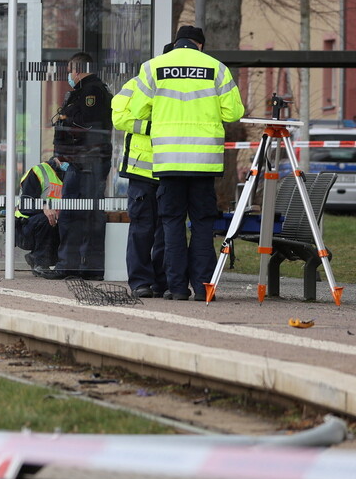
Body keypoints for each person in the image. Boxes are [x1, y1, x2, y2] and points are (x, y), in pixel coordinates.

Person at [128, 26, 245, 300]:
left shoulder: (153, 67)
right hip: (204, 162)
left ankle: (177, 288)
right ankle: (205, 288)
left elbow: (137, 110)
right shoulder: (216, 68)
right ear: (200, 46)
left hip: (168, 161)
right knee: (203, 224)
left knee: (172, 223)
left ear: (176, 43)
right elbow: (234, 112)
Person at [38, 52, 113, 280]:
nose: (70, 75)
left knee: (80, 215)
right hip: (79, 162)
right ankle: (77, 266)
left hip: (86, 163)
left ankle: (78, 267)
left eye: (70, 70)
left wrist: (65, 122)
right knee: (78, 214)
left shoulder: (92, 92)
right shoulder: (84, 91)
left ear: (78, 70)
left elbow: (87, 128)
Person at [112, 70, 166, 298]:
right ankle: (141, 282)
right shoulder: (137, 83)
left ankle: (161, 282)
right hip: (143, 168)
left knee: (167, 230)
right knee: (143, 227)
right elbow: (119, 118)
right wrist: (151, 128)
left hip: (171, 168)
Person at [15, 156, 66, 275]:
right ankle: (39, 261)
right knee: (47, 219)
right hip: (25, 226)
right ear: (58, 158)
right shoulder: (38, 171)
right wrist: (44, 207)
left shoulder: (70, 175)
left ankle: (60, 263)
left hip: (55, 223)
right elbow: (25, 204)